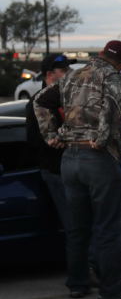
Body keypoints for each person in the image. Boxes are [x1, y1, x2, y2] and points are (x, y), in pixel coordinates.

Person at [34, 39, 121, 299]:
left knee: (77, 227)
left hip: (69, 158)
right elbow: (112, 110)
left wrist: (51, 135)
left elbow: (40, 100)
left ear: (100, 54)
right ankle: (113, 289)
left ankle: (77, 283)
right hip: (98, 158)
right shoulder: (114, 78)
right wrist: (102, 137)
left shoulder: (73, 75)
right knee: (109, 226)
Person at [26, 53, 74, 229]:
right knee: (74, 225)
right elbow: (32, 140)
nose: (68, 73)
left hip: (75, 169)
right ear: (49, 74)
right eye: (63, 70)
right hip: (55, 171)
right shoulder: (37, 103)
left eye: (69, 69)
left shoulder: (70, 99)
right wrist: (55, 140)